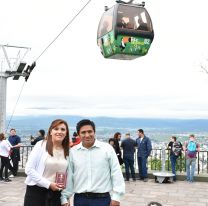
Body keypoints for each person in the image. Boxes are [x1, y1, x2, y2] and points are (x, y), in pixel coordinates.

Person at [61, 119, 125, 206]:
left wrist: (116, 197)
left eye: (90, 131)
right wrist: (65, 197)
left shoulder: (107, 149)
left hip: (103, 199)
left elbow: (116, 172)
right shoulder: (73, 152)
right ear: (78, 134)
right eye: (83, 132)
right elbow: (69, 176)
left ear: (94, 132)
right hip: (80, 200)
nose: (87, 135)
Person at [24, 119, 70, 206]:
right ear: (50, 132)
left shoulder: (67, 151)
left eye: (63, 129)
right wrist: (48, 184)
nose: (59, 132)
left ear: (66, 132)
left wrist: (65, 197)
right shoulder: (41, 145)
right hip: (36, 192)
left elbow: (66, 174)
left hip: (56, 193)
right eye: (56, 129)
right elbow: (29, 169)